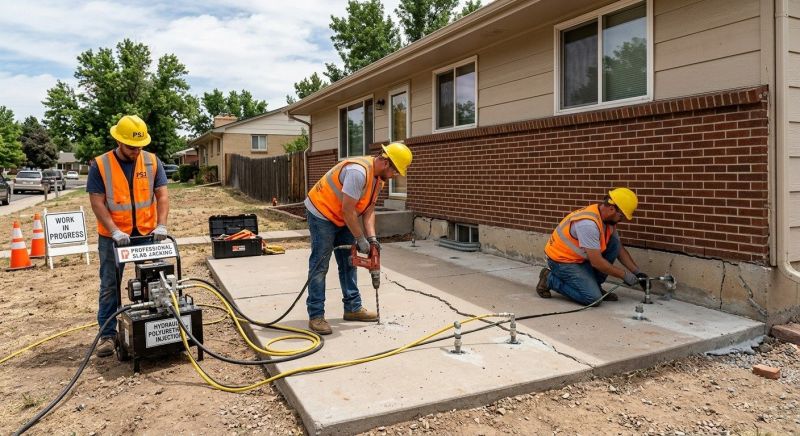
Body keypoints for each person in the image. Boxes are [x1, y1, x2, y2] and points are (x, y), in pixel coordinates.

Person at [304, 142, 413, 335]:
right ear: (387, 163)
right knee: (320, 264)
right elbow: (348, 211)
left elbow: (368, 210)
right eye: (396, 171)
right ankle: (316, 315)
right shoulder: (358, 172)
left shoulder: (378, 179)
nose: (396, 175)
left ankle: (353, 308)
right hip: (322, 212)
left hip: (344, 216)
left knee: (348, 261)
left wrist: (371, 239)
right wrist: (359, 238)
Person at [87, 115, 170, 357]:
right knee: (110, 285)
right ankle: (108, 335)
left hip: (146, 233)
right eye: (132, 147)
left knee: (154, 280)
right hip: (113, 236)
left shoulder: (153, 162)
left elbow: (162, 196)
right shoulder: (100, 165)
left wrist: (161, 226)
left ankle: (155, 327)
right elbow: (97, 202)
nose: (136, 151)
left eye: (140, 146)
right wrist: (114, 230)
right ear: (119, 141)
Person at [536, 187, 648, 305]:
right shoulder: (588, 225)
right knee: (593, 298)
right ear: (611, 209)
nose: (622, 220)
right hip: (562, 261)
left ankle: (594, 286)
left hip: (580, 259)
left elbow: (619, 249)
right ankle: (549, 279)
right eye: (622, 217)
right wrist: (624, 275)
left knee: (614, 243)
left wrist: (637, 273)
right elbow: (597, 262)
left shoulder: (606, 219)